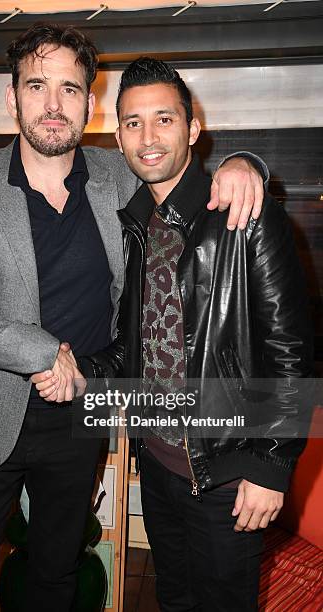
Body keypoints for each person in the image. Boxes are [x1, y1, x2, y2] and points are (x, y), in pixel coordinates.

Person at [0, 23, 267, 611]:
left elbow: (180, 165)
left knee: (58, 568)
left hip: (81, 415)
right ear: (12, 98)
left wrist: (244, 162)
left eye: (70, 89)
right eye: (37, 86)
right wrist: (38, 351)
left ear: (89, 102)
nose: (53, 105)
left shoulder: (117, 176)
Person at [58, 58, 313, 611]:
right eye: (132, 123)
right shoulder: (137, 227)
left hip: (225, 475)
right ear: (119, 134)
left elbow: (292, 355)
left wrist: (270, 468)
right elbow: (138, 345)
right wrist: (81, 369)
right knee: (173, 598)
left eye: (164, 120)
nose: (148, 138)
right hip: (156, 463)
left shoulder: (245, 217)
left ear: (193, 131)